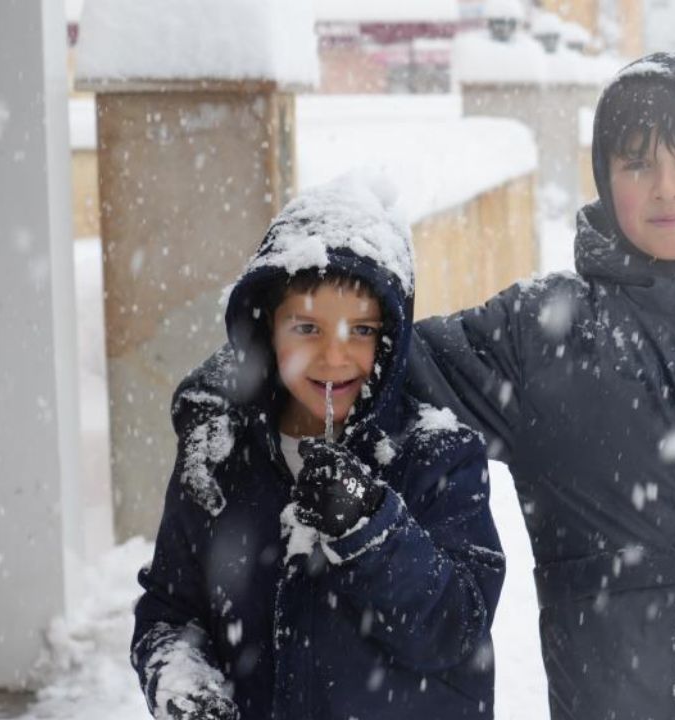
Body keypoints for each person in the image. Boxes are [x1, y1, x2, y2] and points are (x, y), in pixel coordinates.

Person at [179, 53, 675, 720]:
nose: (667, 185)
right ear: (605, 176)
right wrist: (235, 382)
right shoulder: (541, 337)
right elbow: (371, 360)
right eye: (637, 162)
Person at [131, 172, 505, 720]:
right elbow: (172, 613)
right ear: (267, 330)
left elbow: (456, 629)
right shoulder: (219, 453)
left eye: (362, 330)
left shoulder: (436, 456)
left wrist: (372, 529)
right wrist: (182, 682)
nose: (334, 357)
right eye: (307, 328)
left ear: (392, 339)